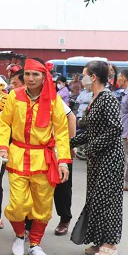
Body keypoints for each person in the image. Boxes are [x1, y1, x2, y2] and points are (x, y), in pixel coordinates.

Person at [0, 58, 71, 255]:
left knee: (43, 204)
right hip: (18, 155)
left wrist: (63, 160)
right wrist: (2, 147)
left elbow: (62, 131)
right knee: (18, 203)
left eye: (35, 74)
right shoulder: (14, 95)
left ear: (44, 76)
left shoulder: (54, 100)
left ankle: (35, 243)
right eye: (27, 74)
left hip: (43, 159)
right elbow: (5, 123)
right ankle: (20, 236)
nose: (30, 78)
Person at [69, 60, 124, 255]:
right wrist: (68, 144)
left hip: (109, 157)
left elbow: (115, 129)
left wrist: (90, 148)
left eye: (84, 75)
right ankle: (100, 240)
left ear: (92, 77)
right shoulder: (95, 98)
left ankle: (110, 244)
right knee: (96, 199)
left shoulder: (108, 98)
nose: (81, 79)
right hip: (97, 158)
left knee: (108, 200)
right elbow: (91, 133)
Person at [0, 67, 23, 230]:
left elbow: (6, 124)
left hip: (16, 147)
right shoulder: (5, 98)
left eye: (15, 83)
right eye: (10, 82)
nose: (11, 85)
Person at [53, 100, 77, 236]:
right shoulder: (18, 98)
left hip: (58, 149)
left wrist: (71, 143)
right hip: (34, 151)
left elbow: (71, 116)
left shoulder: (52, 97)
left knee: (63, 186)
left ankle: (64, 219)